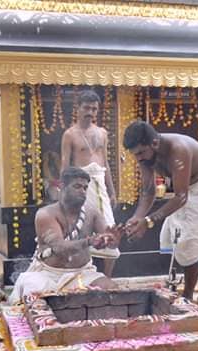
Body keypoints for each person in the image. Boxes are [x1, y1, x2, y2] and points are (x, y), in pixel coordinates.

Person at [122, 120, 198, 303]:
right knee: (175, 237)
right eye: (135, 155)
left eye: (141, 153)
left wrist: (148, 221)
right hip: (187, 190)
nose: (138, 158)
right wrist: (137, 217)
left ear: (154, 143)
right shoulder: (145, 156)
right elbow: (148, 191)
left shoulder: (178, 150)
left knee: (187, 241)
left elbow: (180, 197)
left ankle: (187, 298)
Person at [9, 167, 120, 304]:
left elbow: (109, 239)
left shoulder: (92, 213)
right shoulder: (45, 214)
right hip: (48, 275)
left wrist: (111, 239)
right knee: (33, 300)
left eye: (85, 188)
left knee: (112, 291)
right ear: (62, 186)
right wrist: (90, 241)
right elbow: (60, 248)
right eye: (77, 186)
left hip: (82, 273)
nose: (83, 191)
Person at [61, 89, 119, 276]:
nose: (90, 113)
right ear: (77, 109)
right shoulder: (70, 135)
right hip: (80, 186)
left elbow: (106, 163)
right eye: (86, 108)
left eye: (94, 109)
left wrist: (112, 191)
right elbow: (65, 166)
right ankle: (80, 277)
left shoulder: (102, 133)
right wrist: (65, 194)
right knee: (81, 229)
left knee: (109, 228)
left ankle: (107, 279)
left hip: (100, 185)